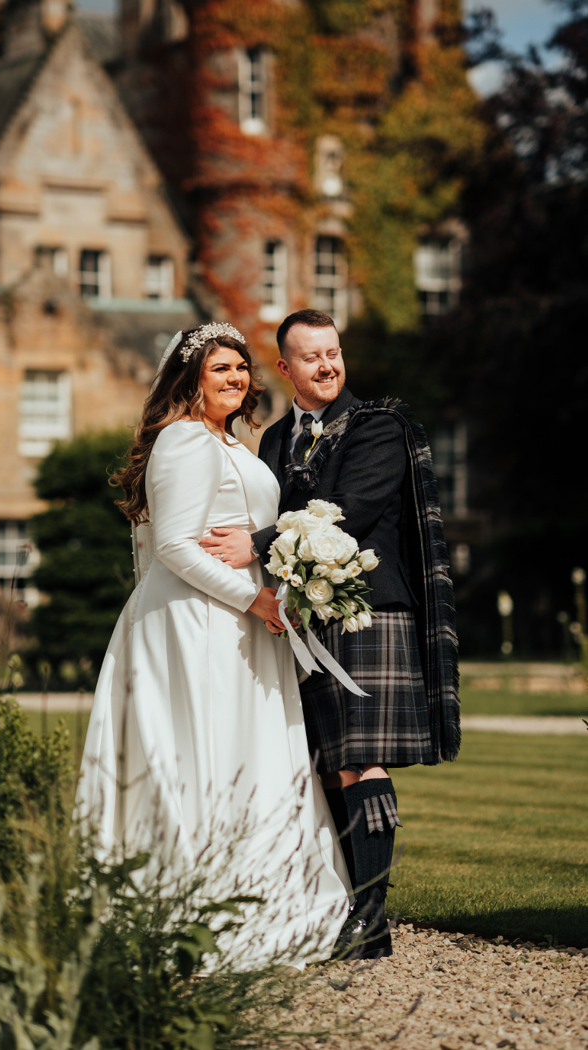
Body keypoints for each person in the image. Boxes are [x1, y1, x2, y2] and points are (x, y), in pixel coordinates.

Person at [76, 322, 351, 970]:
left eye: (240, 369)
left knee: (248, 749)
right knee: (203, 749)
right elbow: (173, 546)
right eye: (219, 369)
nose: (234, 378)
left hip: (241, 624)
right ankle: (192, 905)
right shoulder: (180, 440)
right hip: (197, 624)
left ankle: (261, 896)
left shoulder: (231, 443)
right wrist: (256, 599)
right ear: (190, 379)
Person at [200, 309, 461, 960]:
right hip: (305, 616)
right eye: (311, 356)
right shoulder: (275, 439)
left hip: (370, 610)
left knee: (359, 758)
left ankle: (370, 918)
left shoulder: (379, 428)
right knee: (323, 766)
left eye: (334, 352)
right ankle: (352, 909)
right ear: (285, 369)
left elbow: (347, 513)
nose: (327, 365)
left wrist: (257, 543)